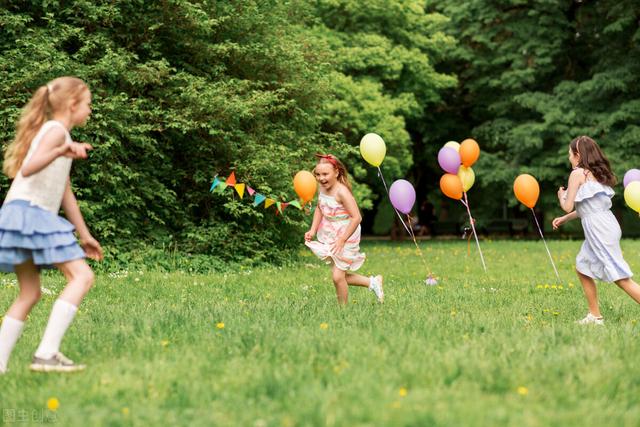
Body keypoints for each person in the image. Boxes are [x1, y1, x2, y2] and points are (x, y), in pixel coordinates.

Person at [0, 77, 103, 373]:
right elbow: (28, 169)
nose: (90, 110)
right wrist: (61, 150)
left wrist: (85, 236)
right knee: (81, 277)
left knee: (30, 294)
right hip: (30, 215)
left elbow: (64, 191)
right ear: (73, 105)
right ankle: (46, 355)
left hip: (19, 214)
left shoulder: (59, 135)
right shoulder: (56, 131)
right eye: (88, 104)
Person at [552, 135, 640, 325]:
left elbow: (568, 205)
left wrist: (561, 196)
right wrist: (565, 219)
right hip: (605, 224)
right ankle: (595, 315)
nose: (569, 158)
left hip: (599, 229)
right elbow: (587, 208)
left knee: (620, 277)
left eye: (570, 154)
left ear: (577, 154)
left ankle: (595, 315)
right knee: (582, 267)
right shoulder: (595, 173)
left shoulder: (577, 174)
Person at [304, 154, 383, 304]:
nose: (321, 178)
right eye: (318, 174)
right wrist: (313, 230)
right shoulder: (322, 188)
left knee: (337, 276)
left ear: (336, 172)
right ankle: (372, 282)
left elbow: (356, 217)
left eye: (325, 174)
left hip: (348, 233)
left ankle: (343, 311)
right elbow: (320, 208)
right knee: (340, 275)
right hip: (332, 232)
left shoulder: (342, 192)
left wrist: (342, 239)